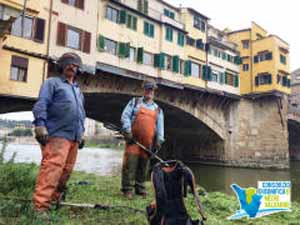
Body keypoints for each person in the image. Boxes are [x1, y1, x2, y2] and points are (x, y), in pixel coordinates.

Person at [32, 52, 86, 214]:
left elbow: (81, 113)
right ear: (61, 66)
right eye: (68, 63)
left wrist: (81, 132)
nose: (72, 66)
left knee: (66, 170)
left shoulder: (78, 90)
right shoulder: (52, 83)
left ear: (78, 69)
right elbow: (41, 104)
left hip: (74, 136)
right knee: (52, 168)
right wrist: (40, 124)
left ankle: (55, 199)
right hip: (57, 134)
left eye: (75, 64)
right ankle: (40, 207)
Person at [120, 81, 164, 199]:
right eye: (147, 89)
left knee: (143, 166)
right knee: (130, 165)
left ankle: (140, 188)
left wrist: (159, 140)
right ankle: (127, 189)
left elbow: (160, 127)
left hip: (147, 142)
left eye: (151, 90)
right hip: (133, 140)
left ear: (154, 92)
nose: (149, 91)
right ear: (144, 90)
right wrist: (128, 131)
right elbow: (125, 116)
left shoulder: (158, 109)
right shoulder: (134, 102)